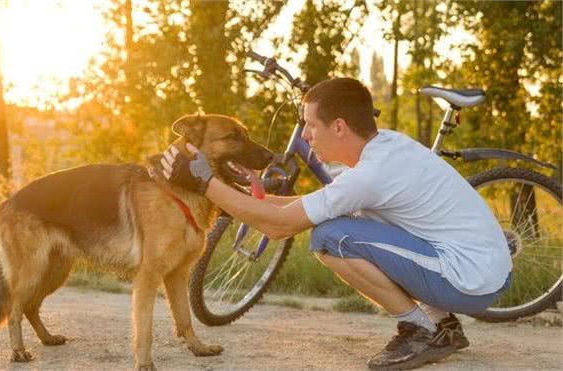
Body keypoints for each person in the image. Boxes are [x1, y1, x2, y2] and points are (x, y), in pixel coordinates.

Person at [159, 78, 512, 370]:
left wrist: (204, 182)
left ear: (339, 126)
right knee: (339, 223)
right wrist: (231, 195)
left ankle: (420, 330)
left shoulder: (369, 175)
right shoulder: (384, 147)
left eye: (311, 125)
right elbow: (295, 206)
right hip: (477, 267)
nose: (307, 136)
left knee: (331, 236)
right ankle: (443, 325)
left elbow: (280, 226)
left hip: (470, 280)